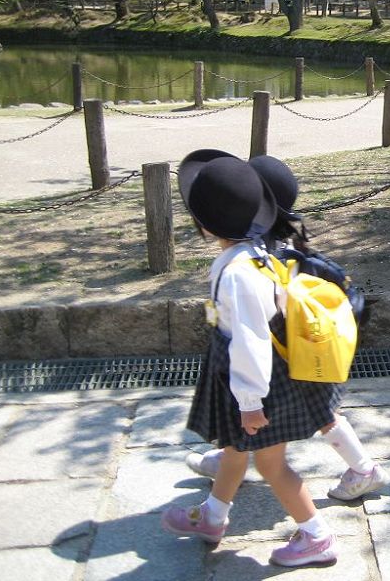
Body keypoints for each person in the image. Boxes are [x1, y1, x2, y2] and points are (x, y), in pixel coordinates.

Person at [160, 151, 336, 567]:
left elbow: (250, 339)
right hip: (246, 376)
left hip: (255, 382)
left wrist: (251, 403)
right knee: (235, 450)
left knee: (272, 465)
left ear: (203, 225)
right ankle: (213, 516)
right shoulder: (255, 253)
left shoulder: (239, 272)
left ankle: (316, 536)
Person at [183, 151, 389, 503]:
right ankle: (230, 457)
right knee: (311, 410)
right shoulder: (286, 245)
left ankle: (363, 468)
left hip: (287, 349)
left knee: (308, 412)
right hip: (299, 343)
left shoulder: (259, 254)